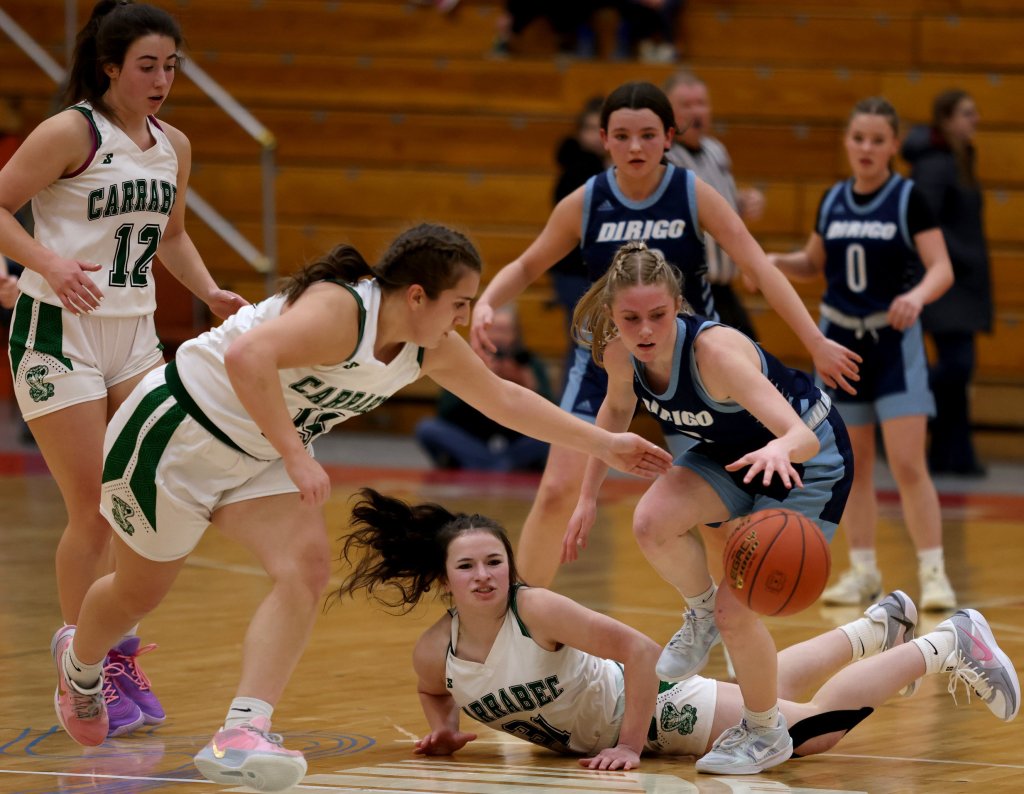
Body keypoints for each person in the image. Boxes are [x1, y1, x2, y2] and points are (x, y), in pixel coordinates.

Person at [50, 223, 672, 792]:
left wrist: (605, 443)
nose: (463, 318)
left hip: (258, 449)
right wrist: (296, 455)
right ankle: (79, 664)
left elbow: (505, 400)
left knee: (305, 569)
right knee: (137, 594)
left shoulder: (425, 346)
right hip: (178, 433)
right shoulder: (342, 310)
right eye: (459, 304)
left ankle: (242, 729)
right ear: (418, 296)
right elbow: (246, 358)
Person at [471, 80, 860, 588]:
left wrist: (815, 341)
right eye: (623, 135)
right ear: (604, 139)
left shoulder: (693, 193)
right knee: (556, 489)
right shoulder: (585, 202)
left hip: (686, 371)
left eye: (648, 134)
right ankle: (523, 624)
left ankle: (721, 625)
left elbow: (759, 269)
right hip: (606, 365)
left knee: (712, 517)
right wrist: (486, 300)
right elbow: (527, 264)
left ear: (669, 138)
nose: (636, 146)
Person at [334, 488, 1020, 773]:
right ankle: (880, 627)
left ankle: (948, 642)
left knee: (810, 732)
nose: (485, 574)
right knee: (768, 685)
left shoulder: (532, 608)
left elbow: (636, 650)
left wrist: (630, 745)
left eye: (494, 561)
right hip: (638, 717)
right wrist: (447, 726)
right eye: (469, 566)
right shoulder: (436, 654)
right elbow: (435, 692)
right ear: (446, 579)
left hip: (654, 710)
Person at [0, 0, 247, 737]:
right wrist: (44, 259)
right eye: (147, 65)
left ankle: (111, 646)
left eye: (171, 65)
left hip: (134, 333)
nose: (162, 78)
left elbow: (170, 234)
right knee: (90, 507)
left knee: (136, 501)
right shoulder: (71, 131)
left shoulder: (174, 144)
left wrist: (208, 291)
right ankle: (83, 659)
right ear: (110, 68)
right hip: (57, 330)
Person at [562, 241, 854, 773]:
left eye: (658, 315)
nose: (645, 330)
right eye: (631, 318)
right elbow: (615, 411)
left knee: (737, 611)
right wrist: (586, 496)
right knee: (651, 522)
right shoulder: (620, 350)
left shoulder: (715, 354)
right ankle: (699, 614)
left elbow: (800, 435)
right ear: (612, 315)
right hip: (731, 453)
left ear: (678, 306)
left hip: (808, 459)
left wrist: (777, 448)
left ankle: (767, 733)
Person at [769, 98, 957, 611]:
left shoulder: (907, 198)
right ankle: (865, 571)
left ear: (894, 145)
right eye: (858, 139)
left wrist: (916, 297)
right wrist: (778, 262)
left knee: (908, 464)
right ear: (847, 143)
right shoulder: (831, 201)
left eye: (877, 140)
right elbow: (814, 263)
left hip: (893, 344)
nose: (867, 149)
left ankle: (933, 572)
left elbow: (941, 267)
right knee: (854, 465)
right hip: (839, 344)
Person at [901, 90, 992, 478]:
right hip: (945, 282)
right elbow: (924, 221)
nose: (975, 120)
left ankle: (952, 455)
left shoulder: (959, 157)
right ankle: (902, 407)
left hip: (962, 282)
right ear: (946, 119)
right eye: (967, 114)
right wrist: (962, 256)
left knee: (958, 373)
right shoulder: (935, 165)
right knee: (956, 366)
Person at [664, 70, 763, 340]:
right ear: (667, 111)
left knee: (757, 360)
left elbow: (718, 208)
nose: (696, 111)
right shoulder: (664, 159)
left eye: (701, 103)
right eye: (686, 105)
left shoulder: (715, 149)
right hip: (689, 289)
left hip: (723, 286)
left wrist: (741, 202)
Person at [415, 304, 552, 472]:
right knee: (428, 429)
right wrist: (478, 381)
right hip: (473, 438)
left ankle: (489, 465)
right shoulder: (466, 358)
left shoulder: (528, 363)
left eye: (504, 330)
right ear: (484, 331)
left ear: (515, 334)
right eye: (494, 329)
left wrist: (530, 385)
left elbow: (553, 411)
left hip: (516, 440)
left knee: (554, 435)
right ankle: (500, 466)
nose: (499, 337)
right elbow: (444, 411)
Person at [550, 95, 606, 390]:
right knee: (584, 344)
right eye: (589, 128)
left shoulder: (595, 167)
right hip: (574, 272)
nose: (595, 137)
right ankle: (570, 414)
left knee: (585, 345)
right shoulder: (580, 170)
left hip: (583, 272)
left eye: (601, 129)